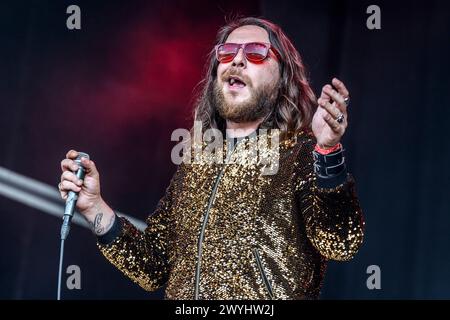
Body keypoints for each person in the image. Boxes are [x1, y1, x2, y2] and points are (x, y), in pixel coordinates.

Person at [58, 17, 364, 299]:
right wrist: (94, 206)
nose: (238, 59)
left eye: (257, 52)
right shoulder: (196, 163)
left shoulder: (300, 153)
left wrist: (328, 152)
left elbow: (340, 243)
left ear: (283, 76)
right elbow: (153, 267)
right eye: (227, 51)